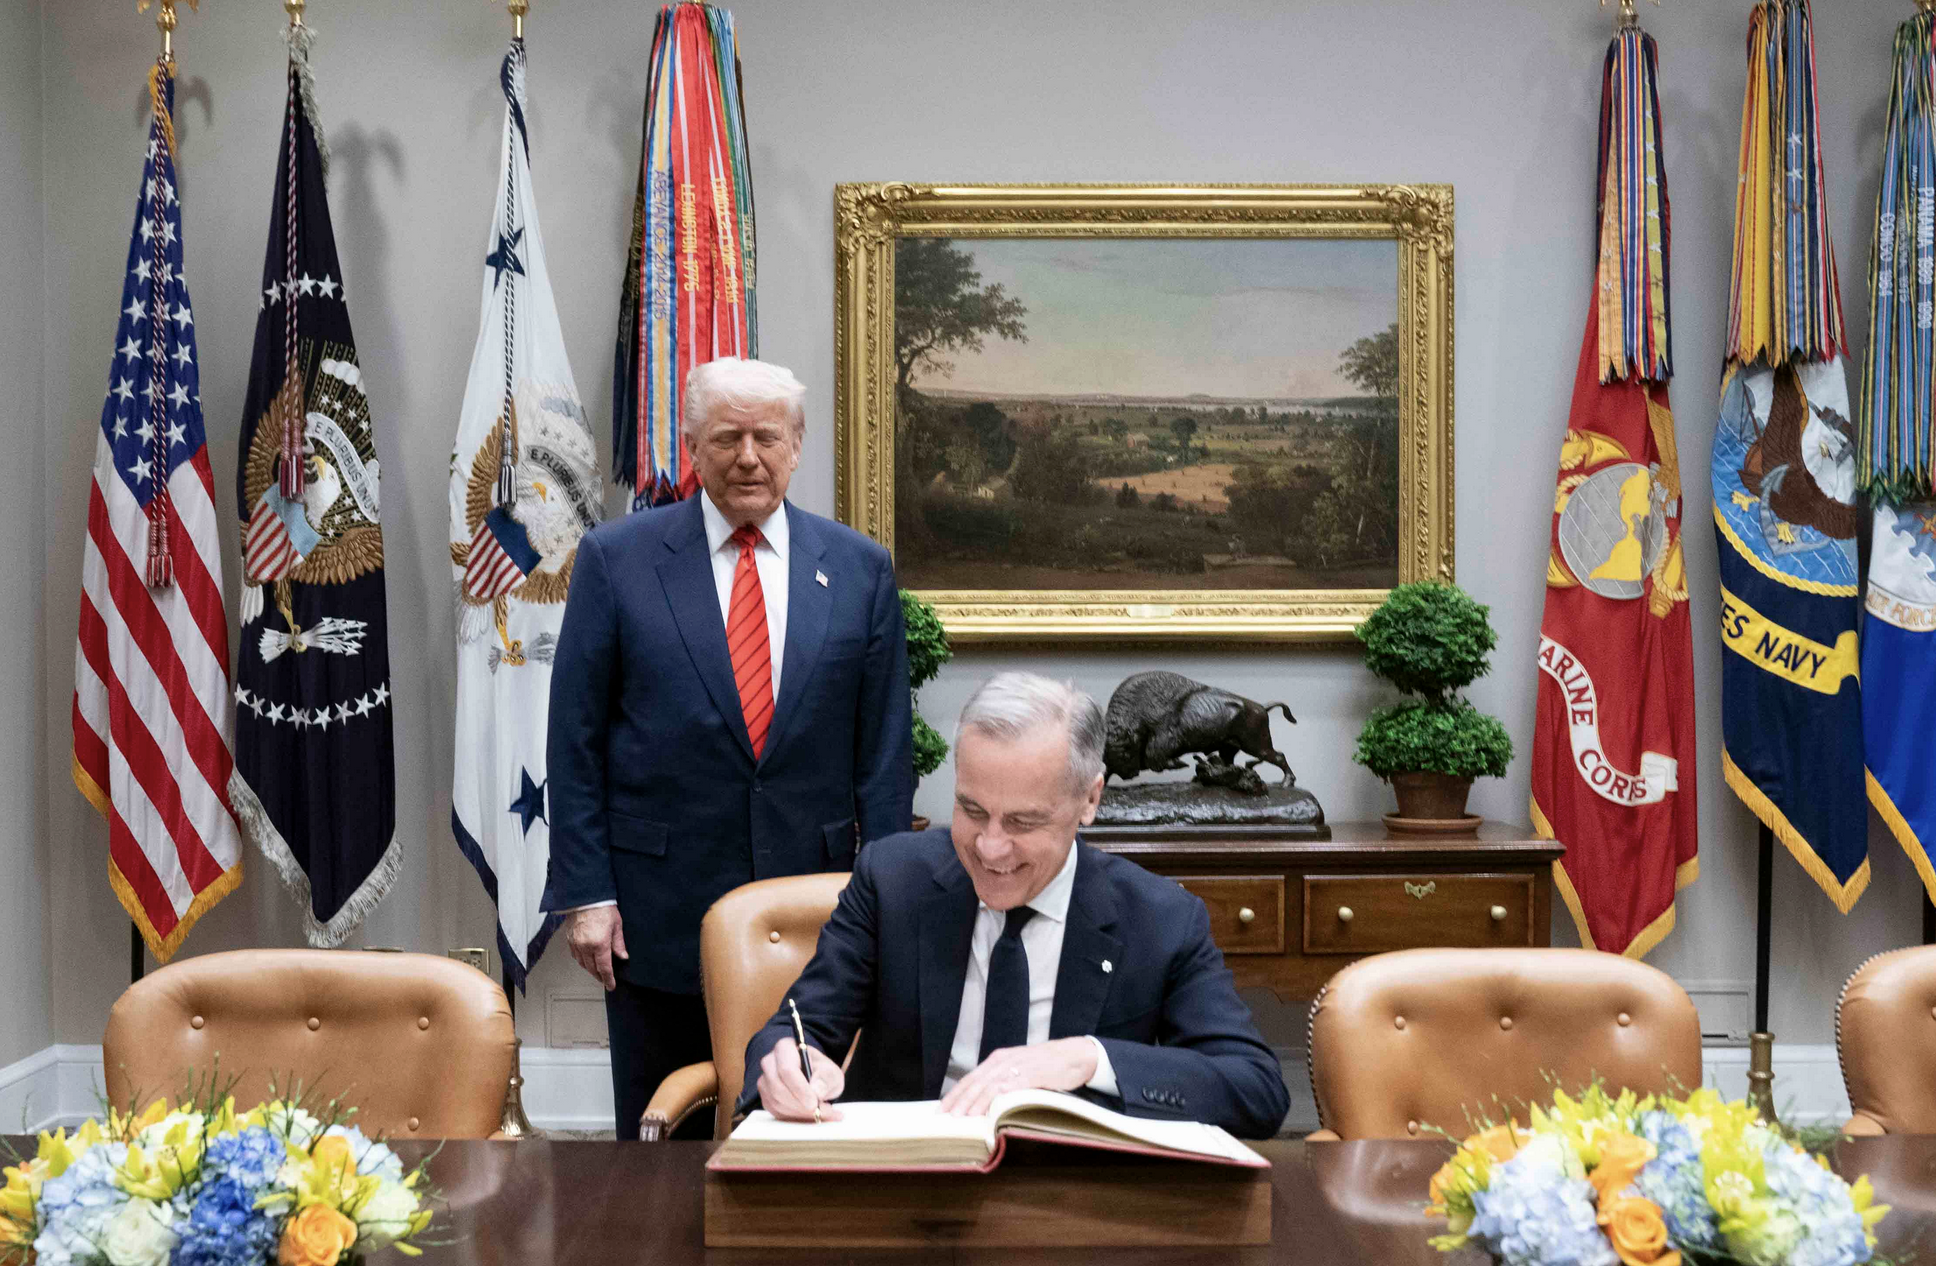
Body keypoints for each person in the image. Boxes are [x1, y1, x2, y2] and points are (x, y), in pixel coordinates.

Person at [545, 357, 914, 1139]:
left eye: (767, 437)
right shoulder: (617, 560)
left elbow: (883, 759)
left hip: (818, 920)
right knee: (659, 1143)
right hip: (657, 915)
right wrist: (587, 894)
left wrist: (890, 905)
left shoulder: (858, 569)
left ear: (797, 444)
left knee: (811, 1135)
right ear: (691, 446)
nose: (748, 456)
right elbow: (574, 741)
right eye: (727, 437)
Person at [742, 672, 1289, 1140]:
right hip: (903, 1197)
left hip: (1072, 1207)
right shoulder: (892, 881)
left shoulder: (1160, 918)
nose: (989, 847)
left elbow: (1254, 1088)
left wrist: (1087, 1058)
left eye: (1024, 822)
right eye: (972, 810)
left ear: (1090, 799)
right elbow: (798, 1028)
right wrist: (789, 1063)